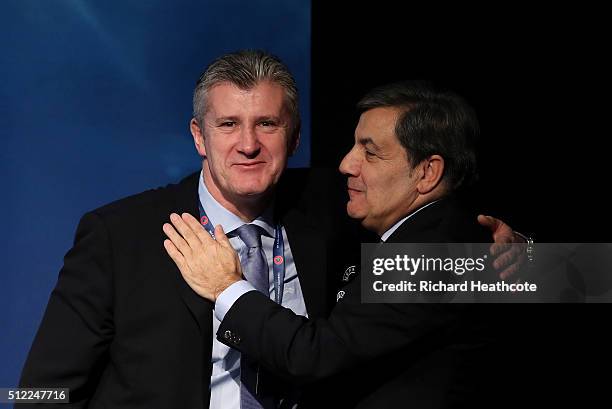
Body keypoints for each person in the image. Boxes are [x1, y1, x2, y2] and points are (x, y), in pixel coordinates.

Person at [20, 51, 519, 409]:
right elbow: (39, 390)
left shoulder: (341, 206)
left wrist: (524, 254)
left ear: (295, 137)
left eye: (267, 124)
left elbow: (439, 231)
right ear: (199, 136)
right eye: (228, 124)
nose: (248, 145)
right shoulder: (118, 234)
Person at [165, 80, 512, 408]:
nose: (347, 164)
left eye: (370, 153)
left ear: (427, 172)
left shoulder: (428, 255)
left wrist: (226, 286)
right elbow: (551, 279)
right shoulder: (443, 236)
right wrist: (526, 251)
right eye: (353, 146)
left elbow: (312, 355)